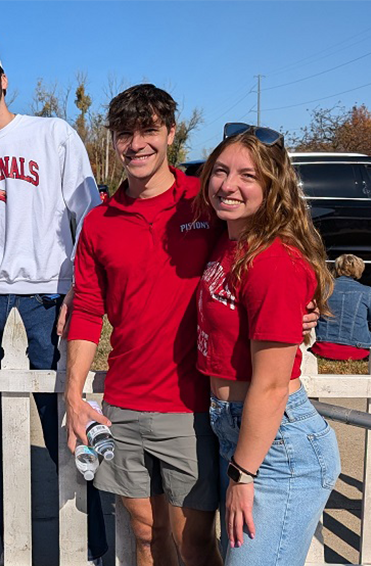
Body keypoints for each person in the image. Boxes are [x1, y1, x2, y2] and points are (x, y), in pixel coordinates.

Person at [0, 40, 107, 562]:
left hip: (45, 298)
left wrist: (77, 291)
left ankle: (93, 544)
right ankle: (13, 544)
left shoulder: (52, 134)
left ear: (3, 77)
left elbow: (90, 218)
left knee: (66, 423)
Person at [65, 84, 224, 566]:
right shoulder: (98, 223)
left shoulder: (206, 203)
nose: (137, 144)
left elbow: (262, 255)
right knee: (145, 536)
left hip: (192, 404)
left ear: (171, 133)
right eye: (124, 133)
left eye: (149, 130)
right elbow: (88, 311)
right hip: (125, 405)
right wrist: (74, 397)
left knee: (192, 541)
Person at [195, 123, 339, 564]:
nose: (229, 185)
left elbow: (273, 386)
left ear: (273, 187)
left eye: (247, 176)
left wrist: (243, 474)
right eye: (220, 171)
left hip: (276, 448)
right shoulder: (230, 241)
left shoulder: (274, 260)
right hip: (236, 431)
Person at [312, 253, 371, 361]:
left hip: (323, 348)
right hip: (358, 350)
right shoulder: (367, 292)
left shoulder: (323, 289)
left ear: (337, 268)